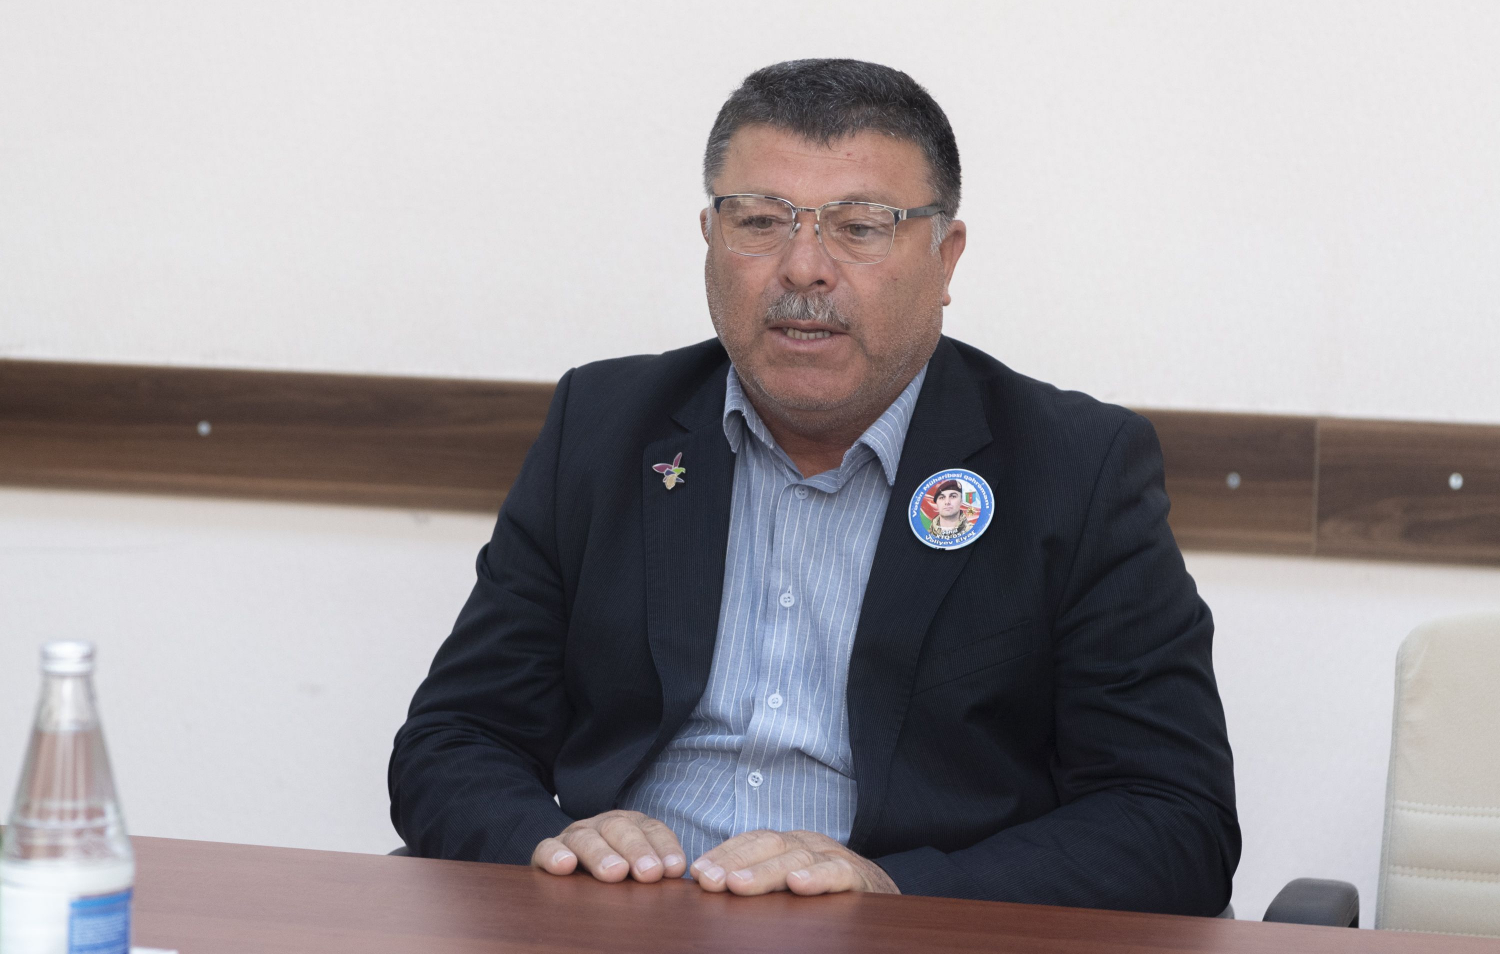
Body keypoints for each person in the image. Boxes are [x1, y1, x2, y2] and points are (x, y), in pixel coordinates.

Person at [390, 58, 1239, 913]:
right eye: (760, 221)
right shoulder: (605, 427)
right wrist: (556, 846)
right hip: (628, 918)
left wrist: (895, 891)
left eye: (860, 227)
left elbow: (1173, 817)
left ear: (945, 259)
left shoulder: (1074, 468)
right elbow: (455, 738)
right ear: (711, 239)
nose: (803, 268)